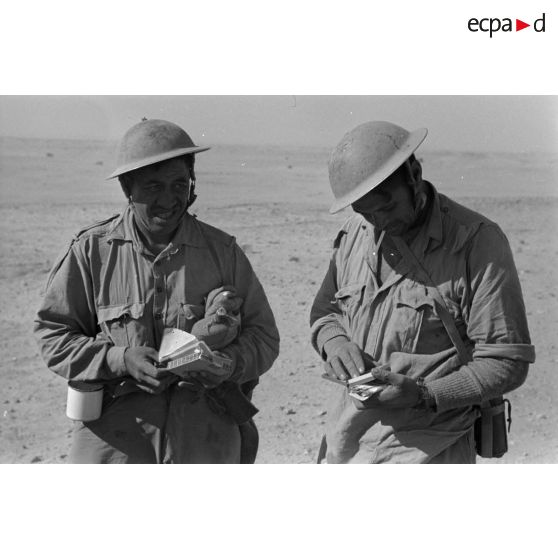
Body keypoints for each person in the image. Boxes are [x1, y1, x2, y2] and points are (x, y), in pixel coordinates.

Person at [34, 118, 280, 464]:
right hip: (116, 435)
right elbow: (52, 335)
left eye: (179, 184)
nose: (169, 199)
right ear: (127, 189)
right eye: (152, 188)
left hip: (203, 432)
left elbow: (265, 338)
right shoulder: (91, 252)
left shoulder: (223, 252)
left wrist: (225, 364)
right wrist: (120, 360)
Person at [310, 121, 535, 464]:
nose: (378, 221)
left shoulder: (477, 244)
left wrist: (424, 394)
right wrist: (335, 342)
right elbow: (326, 311)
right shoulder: (354, 234)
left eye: (385, 207)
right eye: (364, 211)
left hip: (430, 452)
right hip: (348, 445)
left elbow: (506, 361)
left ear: (413, 174)